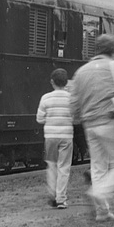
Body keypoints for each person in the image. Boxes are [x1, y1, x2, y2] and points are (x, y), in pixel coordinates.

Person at [69, 34, 114, 222]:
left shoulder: (81, 71)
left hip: (88, 124)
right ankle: (100, 193)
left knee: (98, 166)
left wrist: (78, 117)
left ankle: (102, 212)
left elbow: (73, 103)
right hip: (108, 120)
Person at [36, 68, 74, 209]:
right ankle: (61, 199)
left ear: (52, 82)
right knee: (63, 167)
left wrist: (50, 119)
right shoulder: (71, 98)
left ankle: (52, 196)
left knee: (51, 166)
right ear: (66, 82)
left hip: (50, 137)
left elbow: (39, 119)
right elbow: (75, 118)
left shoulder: (45, 98)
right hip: (66, 137)